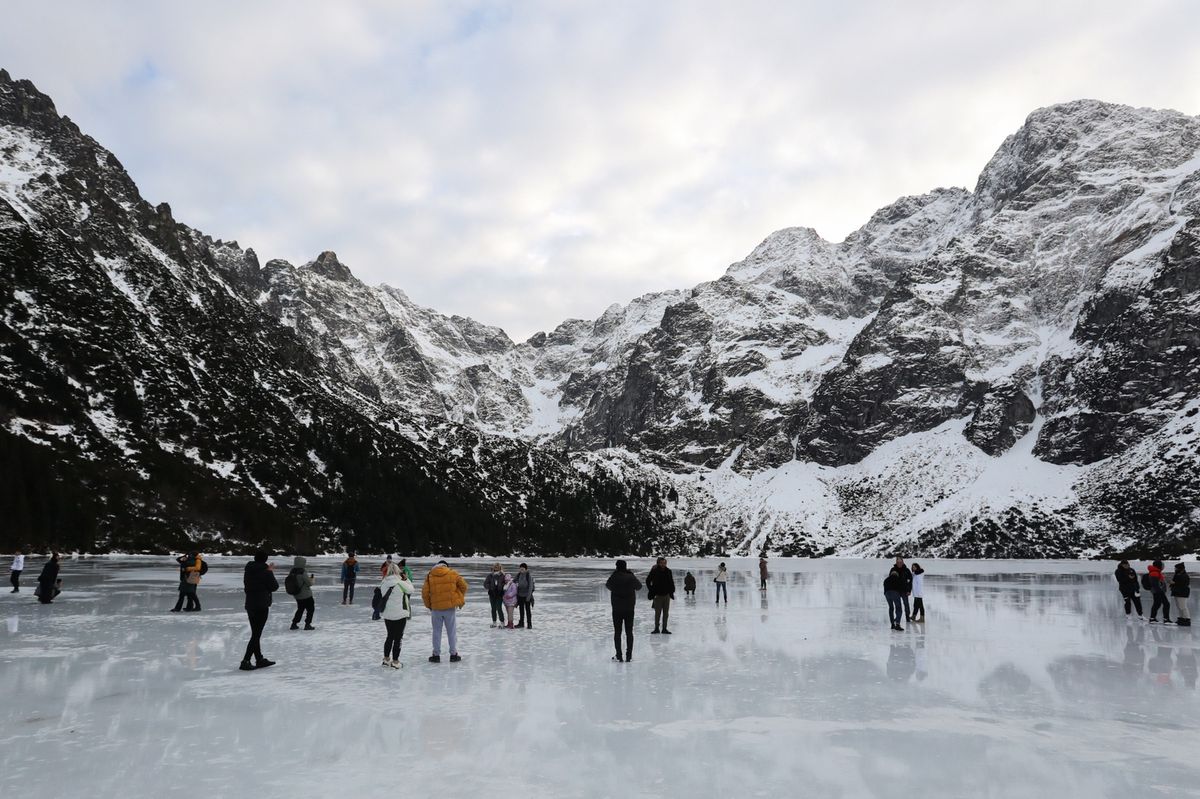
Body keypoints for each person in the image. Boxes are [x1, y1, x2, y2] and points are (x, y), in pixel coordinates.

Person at [421, 559, 468, 663]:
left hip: (436, 609)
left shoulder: (430, 575)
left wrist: (430, 606)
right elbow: (464, 586)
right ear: (446, 566)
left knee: (436, 632)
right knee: (451, 632)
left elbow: (425, 593)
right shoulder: (453, 573)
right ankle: (453, 654)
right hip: (450, 608)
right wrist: (457, 598)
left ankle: (436, 655)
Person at [240, 550, 279, 671]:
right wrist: (270, 572)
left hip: (250, 604)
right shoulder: (265, 571)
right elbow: (274, 587)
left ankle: (259, 659)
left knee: (255, 633)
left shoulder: (249, 570)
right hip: (261, 605)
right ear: (265, 559)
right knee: (256, 634)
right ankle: (245, 660)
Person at [379, 562, 415, 668]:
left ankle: (386, 659)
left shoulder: (384, 583)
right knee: (398, 638)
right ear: (398, 571)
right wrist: (406, 579)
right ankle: (395, 661)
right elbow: (411, 589)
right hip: (400, 614)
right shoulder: (400, 583)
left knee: (389, 636)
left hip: (387, 614)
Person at [605, 560, 642, 662]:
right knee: (629, 632)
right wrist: (631, 575)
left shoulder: (614, 576)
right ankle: (628, 656)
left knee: (617, 632)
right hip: (629, 608)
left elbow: (608, 585)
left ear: (617, 567)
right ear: (625, 566)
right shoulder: (630, 576)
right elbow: (639, 587)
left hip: (617, 608)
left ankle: (619, 655)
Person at [646, 557, 675, 634]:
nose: (663, 564)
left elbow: (671, 582)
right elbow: (648, 581)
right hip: (657, 595)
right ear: (658, 563)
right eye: (662, 563)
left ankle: (664, 628)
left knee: (666, 613)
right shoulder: (654, 571)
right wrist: (651, 590)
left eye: (664, 563)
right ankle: (656, 628)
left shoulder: (668, 571)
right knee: (657, 613)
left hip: (666, 595)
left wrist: (672, 591)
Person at [289, 556, 316, 630]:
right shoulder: (302, 572)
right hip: (306, 595)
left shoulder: (292, 571)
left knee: (300, 609)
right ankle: (307, 624)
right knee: (310, 609)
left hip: (297, 595)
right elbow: (309, 583)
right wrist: (312, 579)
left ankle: (294, 624)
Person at [484, 563, 506, 627]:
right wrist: (490, 587)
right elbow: (485, 584)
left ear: (500, 567)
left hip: (499, 594)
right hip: (492, 594)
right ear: (493, 567)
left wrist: (502, 587)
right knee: (493, 608)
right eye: (495, 566)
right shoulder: (490, 575)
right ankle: (494, 622)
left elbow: (506, 583)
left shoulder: (503, 575)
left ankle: (502, 622)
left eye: (498, 566)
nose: (496, 567)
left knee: (499, 608)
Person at [1170, 563, 1191, 627]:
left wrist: (1174, 583)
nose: (1175, 569)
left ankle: (1187, 619)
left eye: (1176, 568)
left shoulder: (1184, 575)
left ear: (1181, 569)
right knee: (1179, 606)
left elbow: (1183, 584)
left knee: (1183, 606)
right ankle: (1181, 618)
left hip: (1182, 593)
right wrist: (1172, 584)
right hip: (1177, 592)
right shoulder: (1177, 574)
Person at [516, 563, 535, 629]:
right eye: (520, 568)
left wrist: (528, 597)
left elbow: (530, 587)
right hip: (520, 595)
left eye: (523, 569)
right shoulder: (518, 575)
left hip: (527, 595)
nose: (521, 570)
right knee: (521, 610)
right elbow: (514, 581)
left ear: (526, 569)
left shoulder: (528, 575)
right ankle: (521, 623)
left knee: (528, 610)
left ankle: (529, 624)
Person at [894, 557, 914, 621]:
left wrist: (909, 590)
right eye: (898, 562)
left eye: (900, 562)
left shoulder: (907, 570)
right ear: (896, 563)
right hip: (896, 591)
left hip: (904, 590)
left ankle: (907, 617)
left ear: (903, 562)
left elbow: (910, 581)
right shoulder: (893, 570)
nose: (899, 563)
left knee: (906, 604)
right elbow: (890, 580)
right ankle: (897, 617)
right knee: (897, 605)